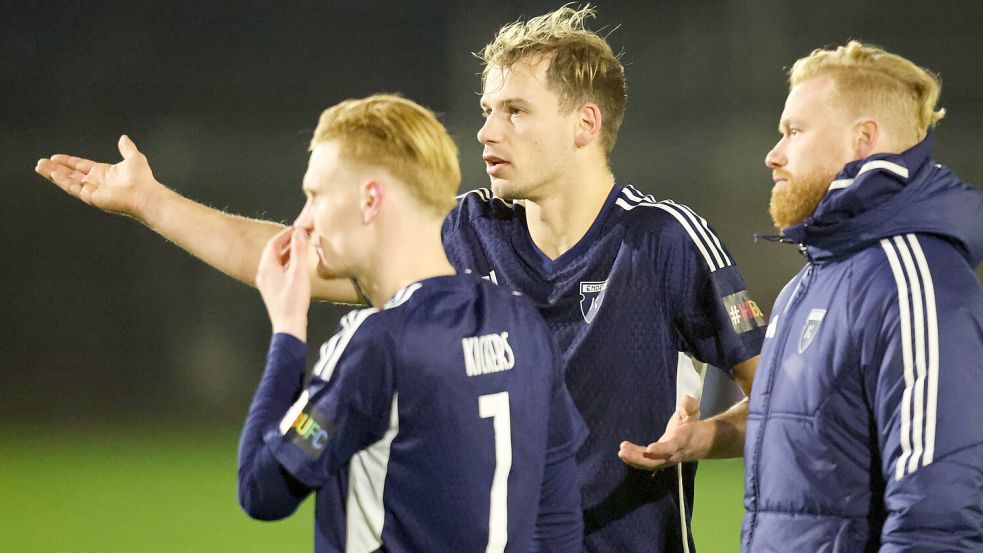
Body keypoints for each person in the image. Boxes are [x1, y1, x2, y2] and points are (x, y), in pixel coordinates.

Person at [35, 6, 763, 552]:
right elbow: (289, 254)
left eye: (513, 110)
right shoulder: (465, 228)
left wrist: (700, 438)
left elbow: (780, 408)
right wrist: (150, 201)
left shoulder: (663, 240)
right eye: (484, 110)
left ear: (583, 124)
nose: (486, 131)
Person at [236, 94, 586, 552]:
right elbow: (558, 520)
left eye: (315, 196)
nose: (303, 222)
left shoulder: (379, 345)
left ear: (369, 199)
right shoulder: (522, 323)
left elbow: (262, 490)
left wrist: (287, 330)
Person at [742, 40, 983, 551]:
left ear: (862, 140)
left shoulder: (916, 278)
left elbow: (937, 520)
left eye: (794, 132)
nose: (774, 153)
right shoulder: (809, 283)